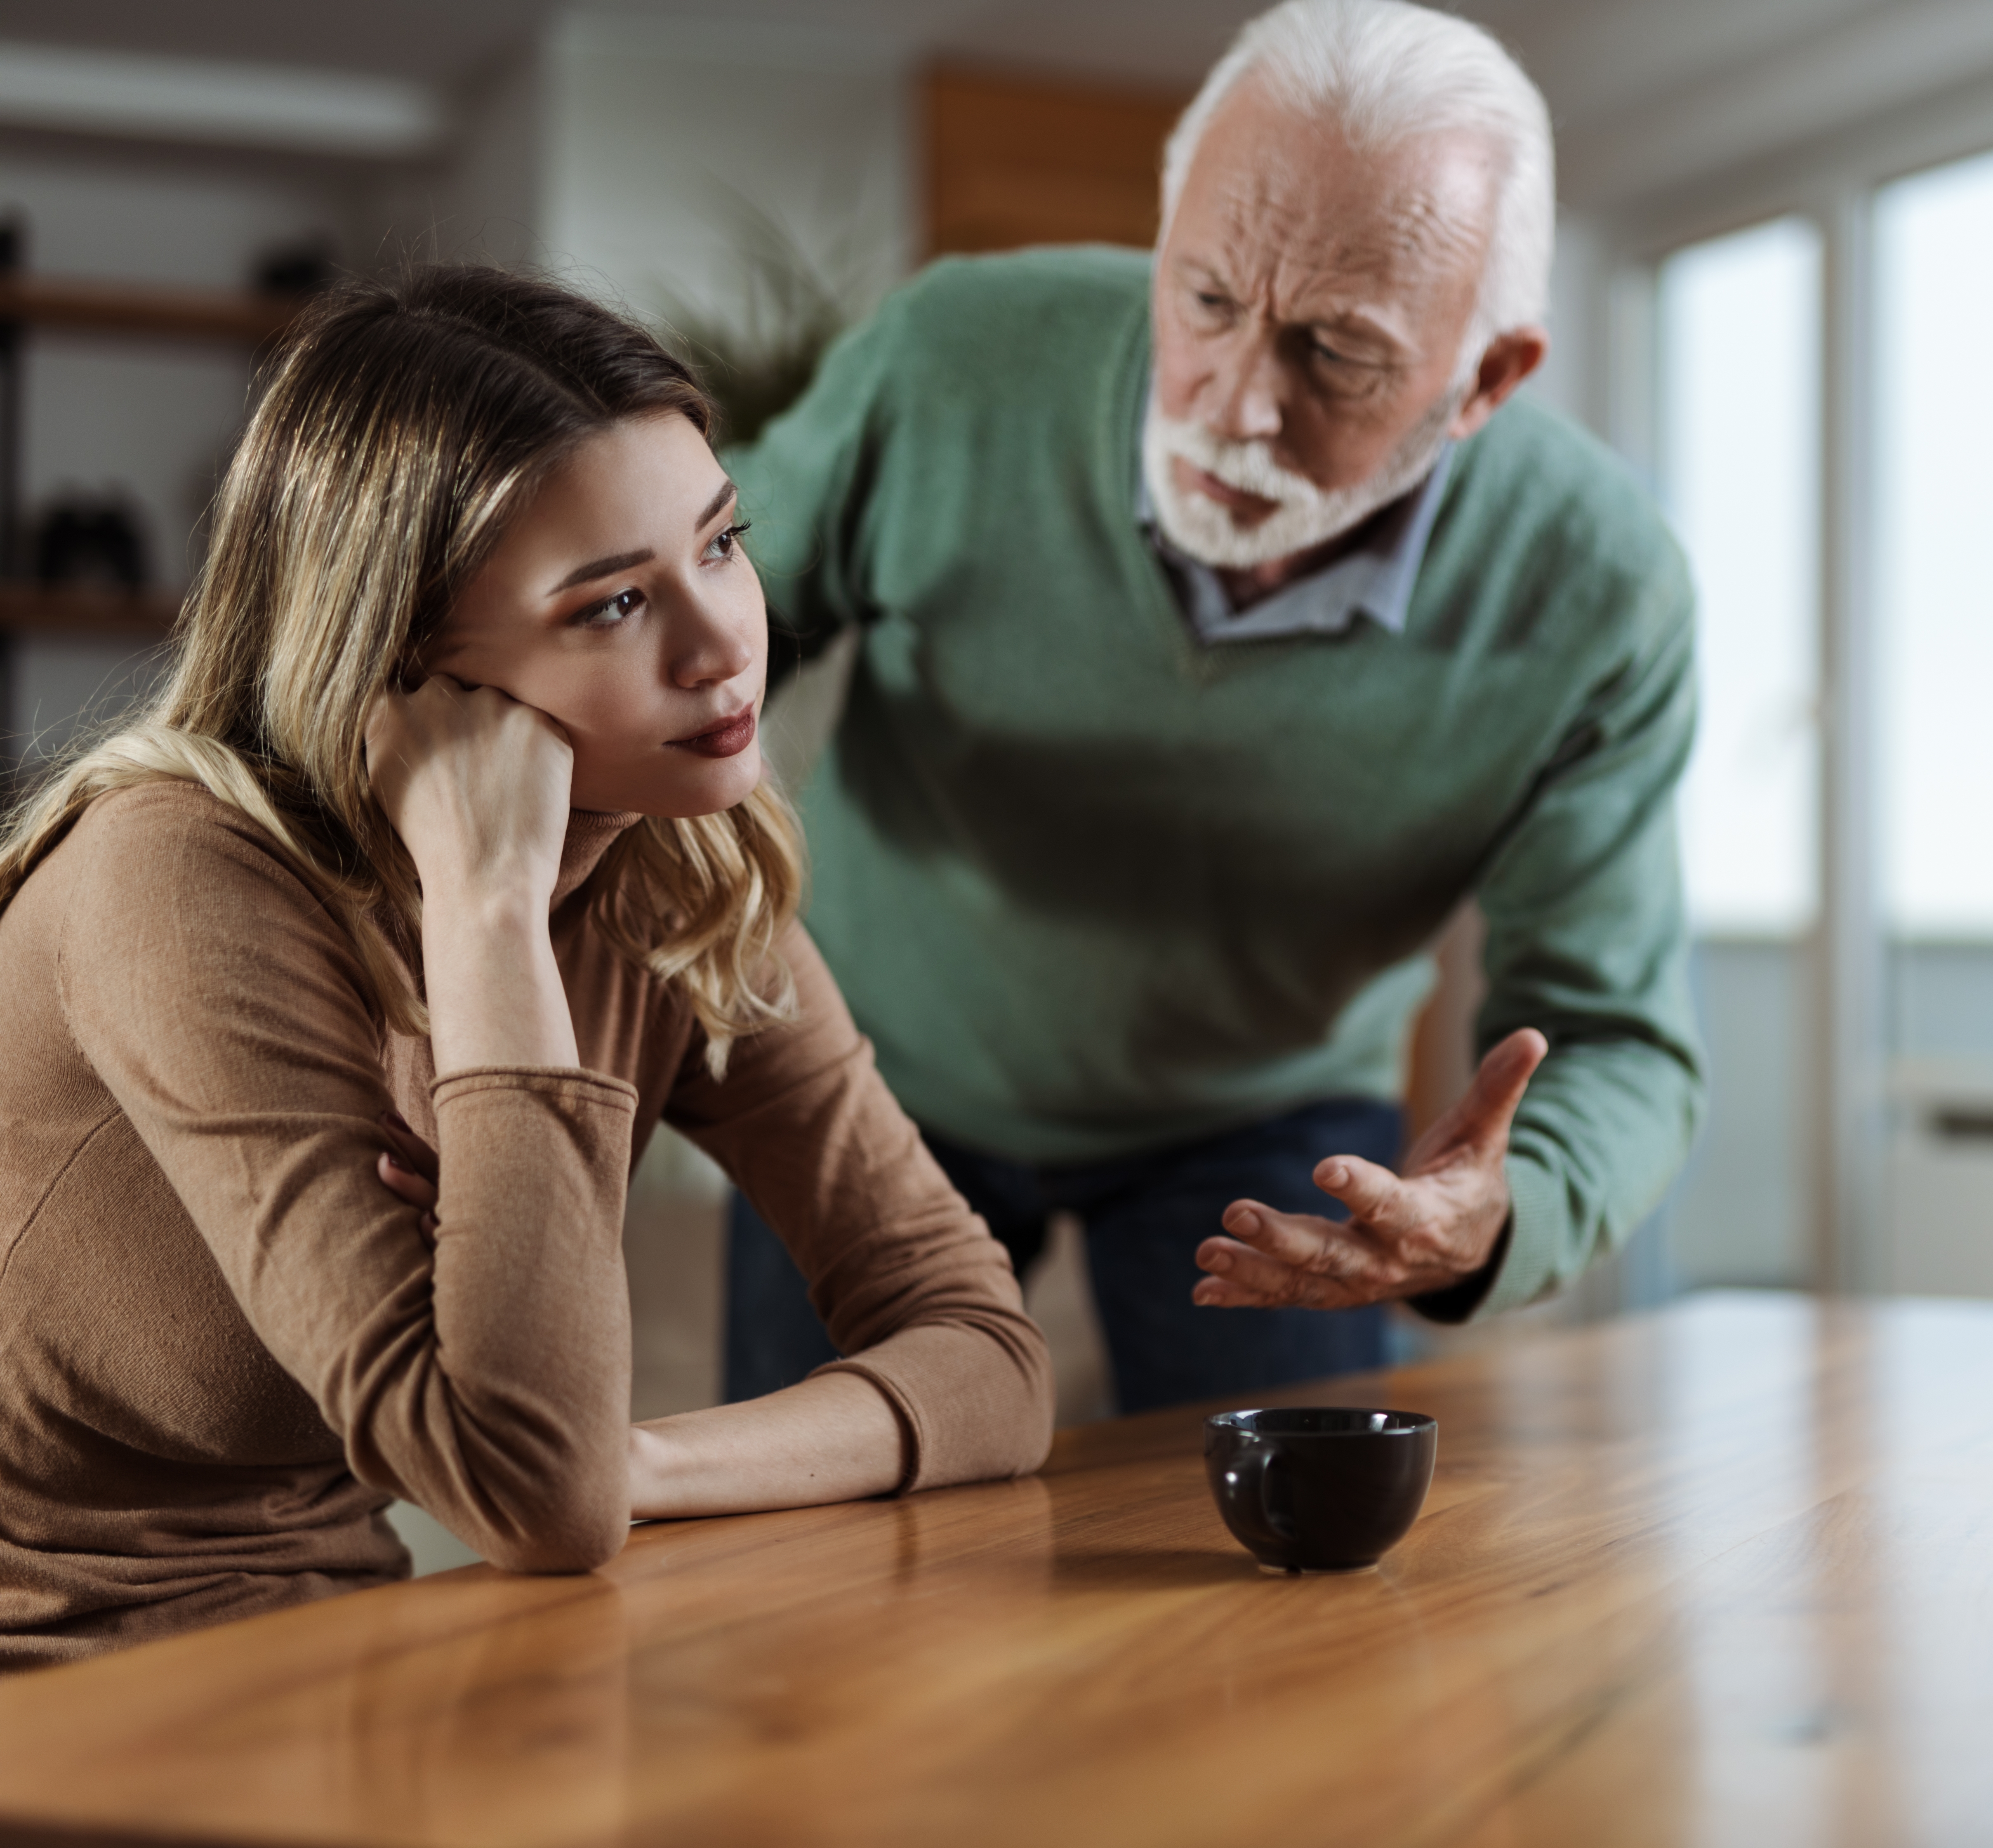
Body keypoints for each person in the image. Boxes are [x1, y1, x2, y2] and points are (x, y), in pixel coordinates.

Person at [0, 268, 1052, 1669]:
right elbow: (532, 1495)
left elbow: (983, 1352)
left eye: (722, 542)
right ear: (409, 661)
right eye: (614, 605)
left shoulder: (681, 874)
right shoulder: (178, 877)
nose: (724, 641)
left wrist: (651, 1466)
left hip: (326, 1652)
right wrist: (488, 906)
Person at [724, 0, 1703, 1415]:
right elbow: (701, 605)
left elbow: (1616, 1038)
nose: (1238, 404)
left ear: (1486, 378)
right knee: (805, 1558)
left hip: (1270, 1115)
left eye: (1339, 351)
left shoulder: (1601, 588)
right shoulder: (952, 359)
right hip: (877, 1058)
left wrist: (1504, 1207)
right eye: (1205, 300)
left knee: (1280, 1586)